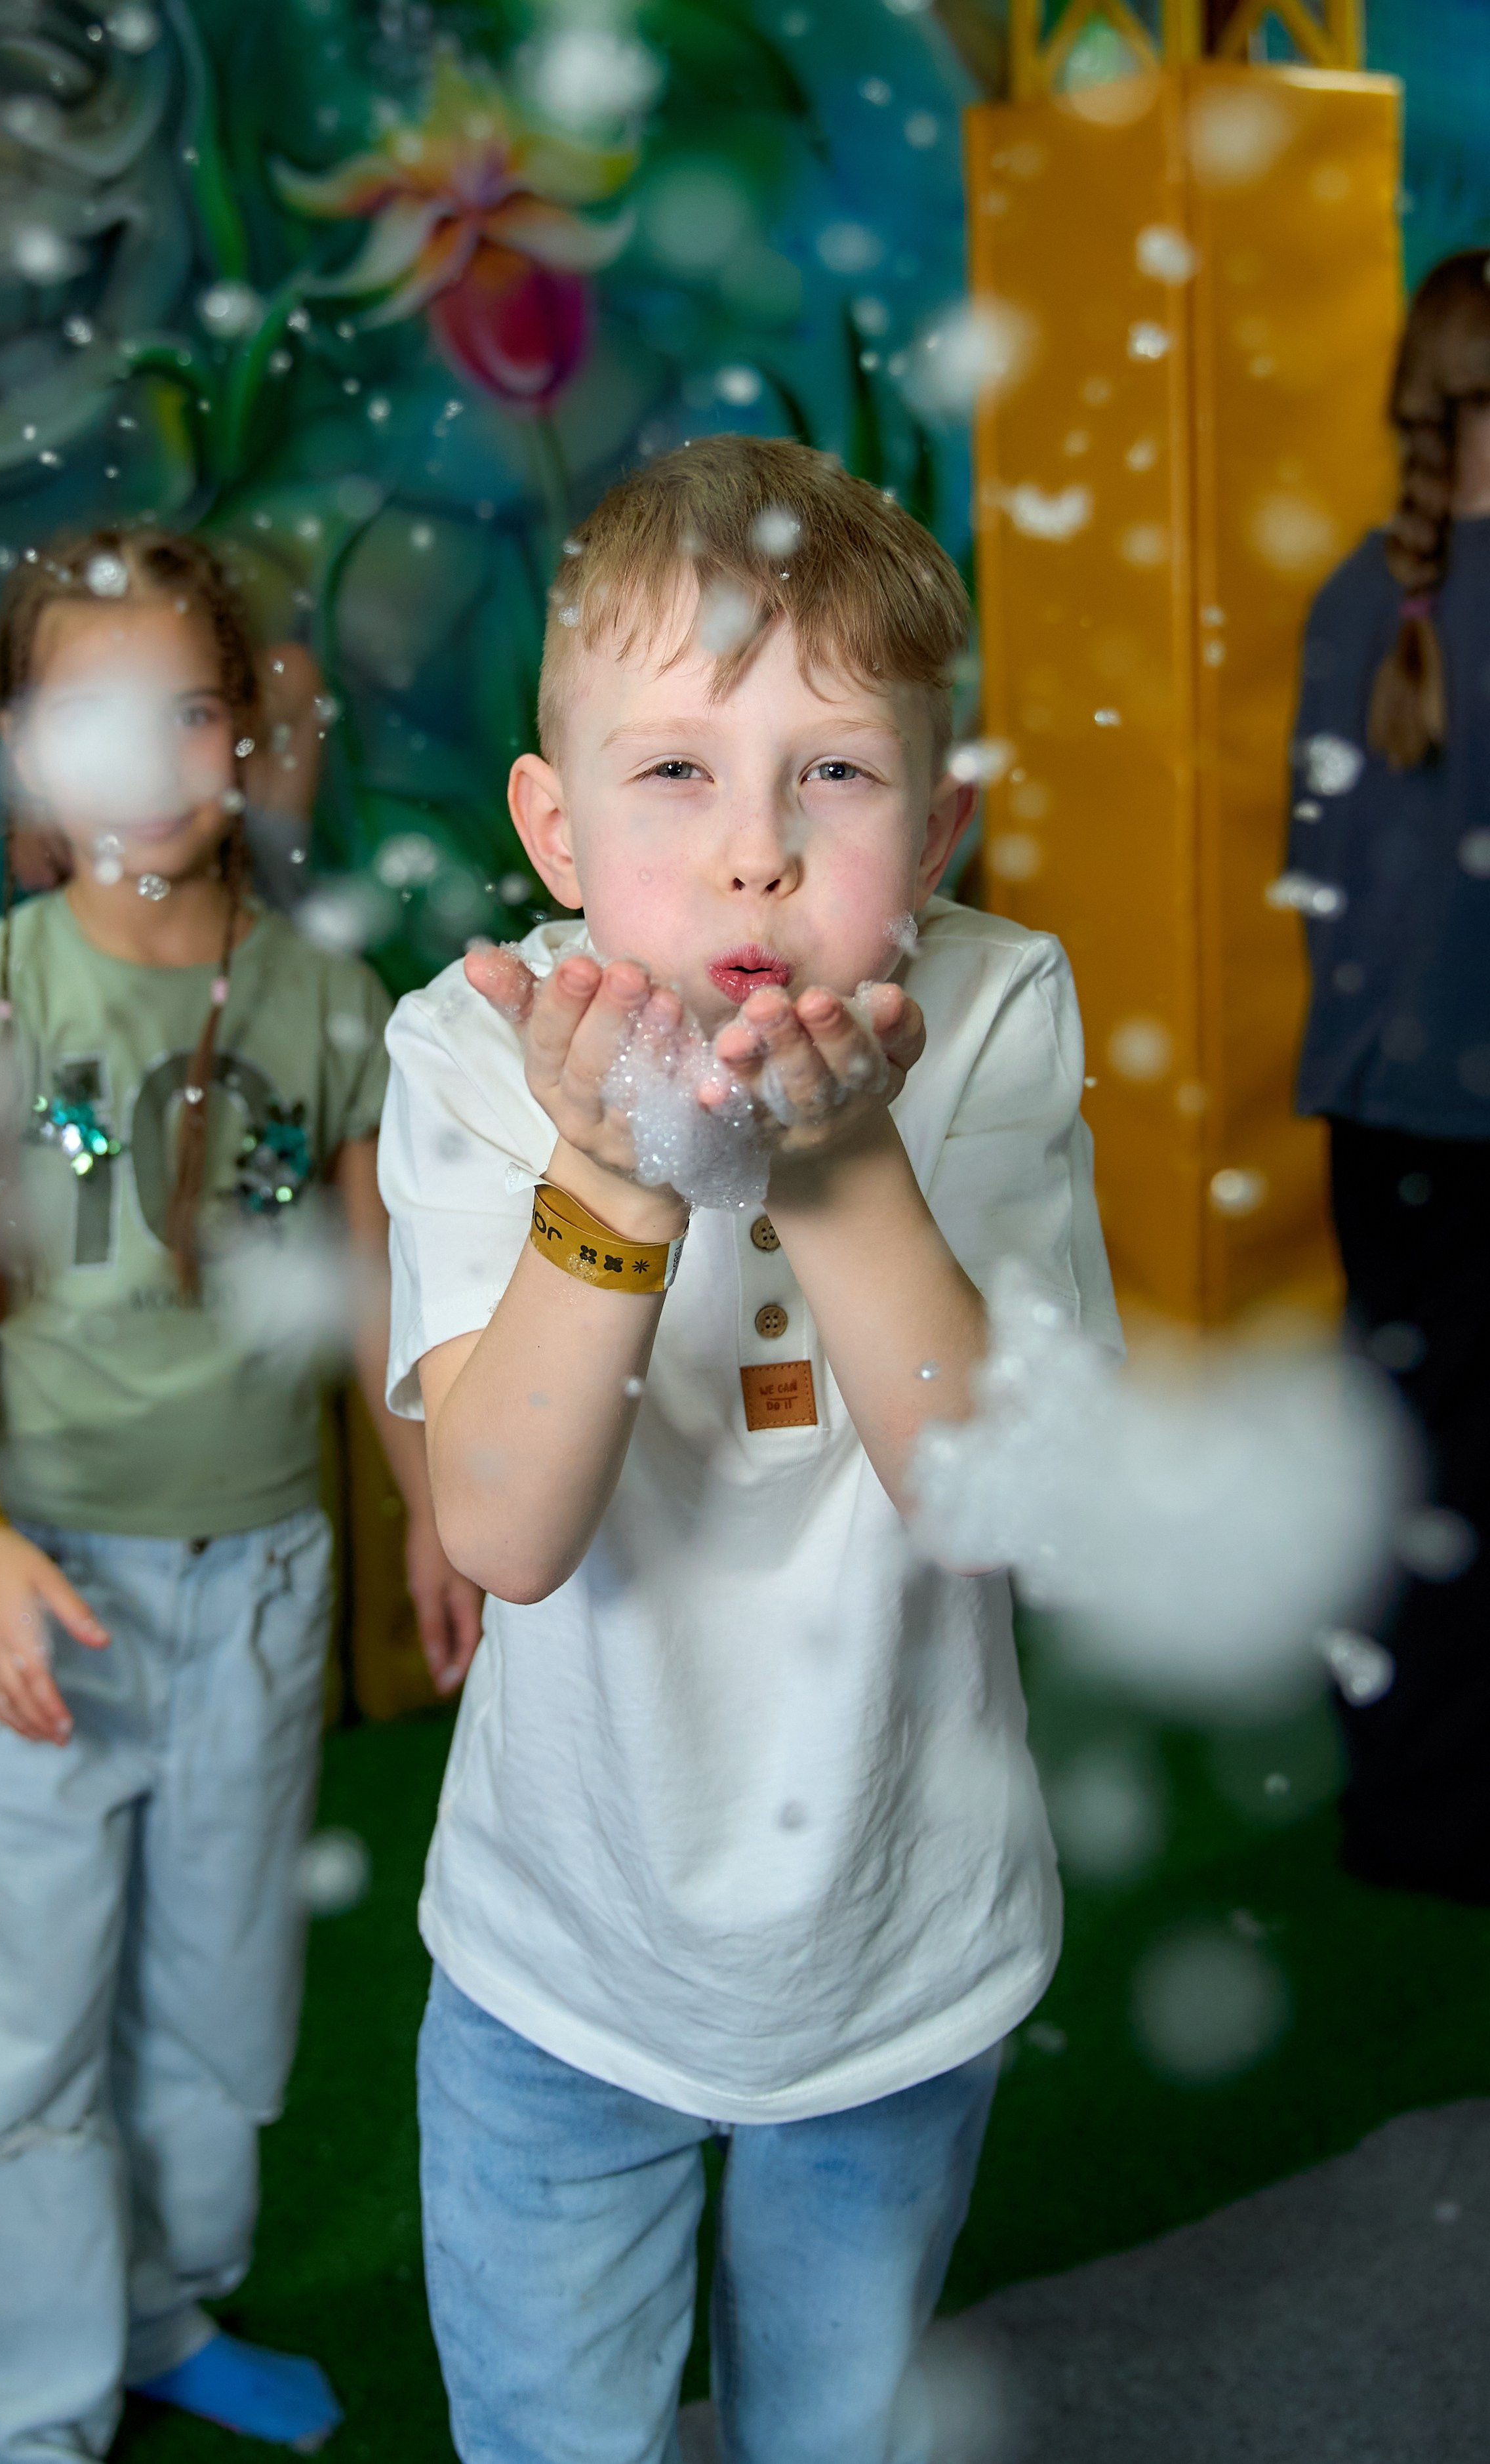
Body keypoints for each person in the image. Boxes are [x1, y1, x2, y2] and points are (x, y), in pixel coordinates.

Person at [378, 434, 1119, 2463]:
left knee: (837, 2428)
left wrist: (839, 1154)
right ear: (552, 820)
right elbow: (507, 1528)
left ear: (942, 817)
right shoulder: (468, 1046)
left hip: (897, 1943)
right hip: (562, 1950)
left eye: (838, 773)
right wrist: (616, 1172)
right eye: (677, 768)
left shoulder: (987, 1011)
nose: (756, 851)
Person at [0, 525, 482, 2464]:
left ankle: (154, 2308)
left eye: (188, 707)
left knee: (219, 2012)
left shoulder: (326, 993)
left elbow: (380, 1287)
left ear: (247, 730)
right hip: (42, 1582)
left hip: (261, 1580)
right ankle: (28, 2413)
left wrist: (431, 1512)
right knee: (8, 2023)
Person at [1285, 251, 1490, 1902]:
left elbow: (1321, 872)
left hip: (1377, 1113)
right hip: (1469, 1112)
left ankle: (1403, 1812)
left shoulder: (1354, 594)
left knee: (1406, 1458)